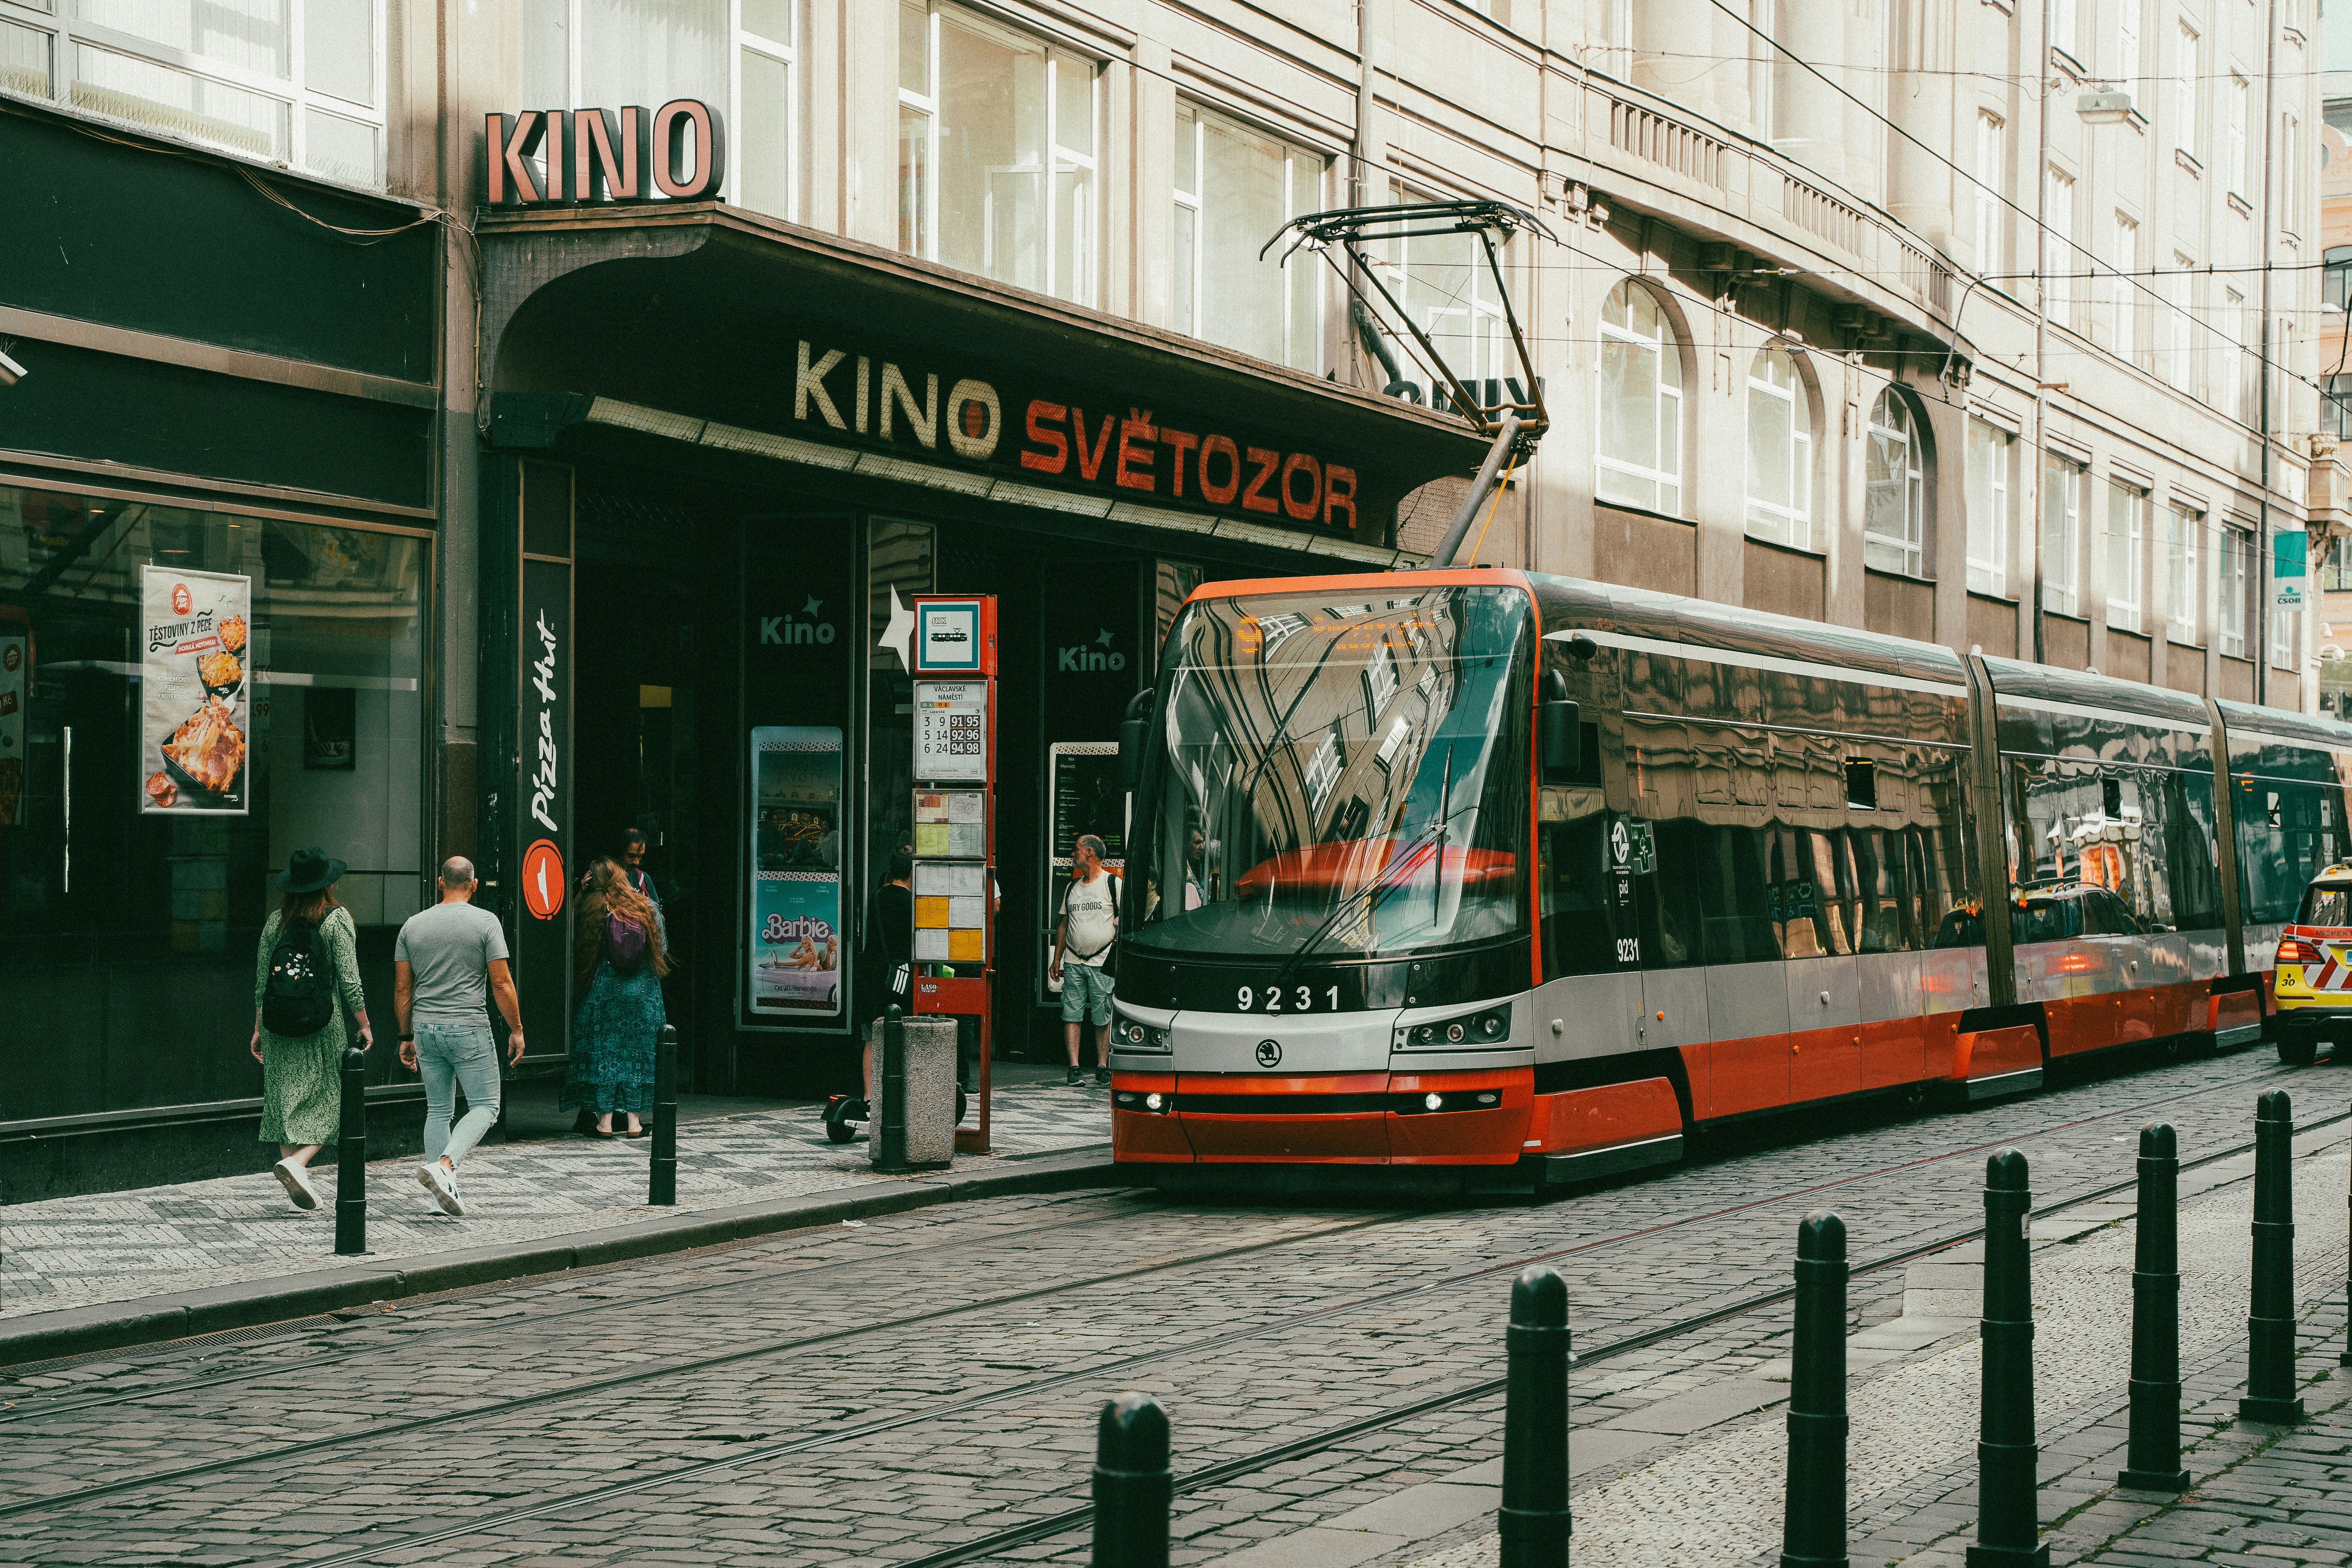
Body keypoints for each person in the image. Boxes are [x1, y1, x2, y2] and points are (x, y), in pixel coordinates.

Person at [394, 855, 524, 1216]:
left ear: (440, 882)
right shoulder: (485, 922)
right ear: (474, 884)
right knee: (486, 1105)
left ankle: (440, 1197)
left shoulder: (412, 926)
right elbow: (501, 981)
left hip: (425, 1028)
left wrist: (406, 1036)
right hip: (468, 1026)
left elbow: (403, 989)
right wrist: (516, 1029)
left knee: (438, 1109)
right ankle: (446, 1166)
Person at [251, 846, 373, 1210]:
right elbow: (351, 981)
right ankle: (297, 1164)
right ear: (327, 884)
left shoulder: (276, 921)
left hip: (277, 1024)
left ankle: (295, 1180)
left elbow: (261, 980)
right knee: (334, 1100)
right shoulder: (336, 919)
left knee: (286, 1101)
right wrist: (365, 1024)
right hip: (322, 1024)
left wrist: (257, 1027)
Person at [563, 856, 669, 1138]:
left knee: (604, 1054)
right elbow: (663, 946)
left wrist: (581, 893)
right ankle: (634, 1123)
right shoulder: (647, 906)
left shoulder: (591, 907)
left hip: (605, 993)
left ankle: (605, 1122)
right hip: (644, 995)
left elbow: (566, 936)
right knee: (636, 1056)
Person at [1048, 834, 1120, 1087]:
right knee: (1072, 1013)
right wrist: (1057, 959)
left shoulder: (1112, 883)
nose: (1072, 855)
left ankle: (1103, 1066)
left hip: (1102, 960)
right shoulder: (1072, 887)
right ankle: (1075, 1067)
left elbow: (1129, 917)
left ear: (1089, 852)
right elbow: (1064, 924)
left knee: (1103, 1015)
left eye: (1076, 850)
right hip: (1074, 961)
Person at [621, 827, 661, 904]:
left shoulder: (644, 878)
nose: (637, 862)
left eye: (640, 856)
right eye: (631, 856)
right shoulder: (607, 877)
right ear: (620, 852)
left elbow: (656, 912)